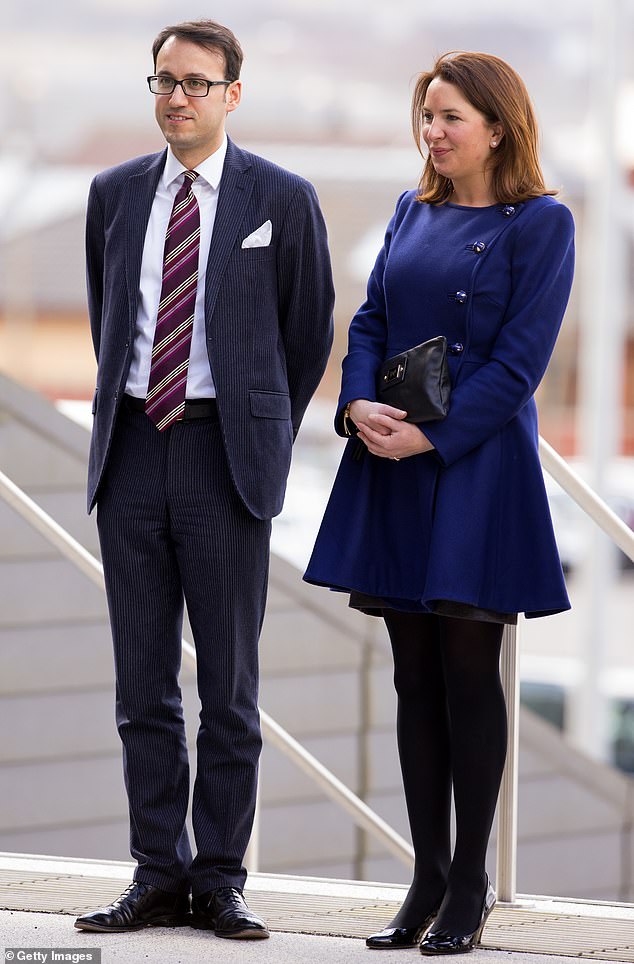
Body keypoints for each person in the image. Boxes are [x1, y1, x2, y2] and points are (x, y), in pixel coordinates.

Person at [304, 51, 574, 955]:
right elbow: (370, 320)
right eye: (426, 115)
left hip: (477, 471)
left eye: (451, 116)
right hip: (392, 460)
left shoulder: (543, 223)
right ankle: (422, 877)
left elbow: (520, 363)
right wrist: (355, 403)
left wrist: (435, 435)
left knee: (468, 676)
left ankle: (470, 884)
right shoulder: (408, 211)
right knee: (410, 677)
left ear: (498, 125)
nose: (434, 132)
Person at [75, 19, 334, 940]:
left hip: (227, 457)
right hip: (135, 449)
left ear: (232, 93)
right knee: (141, 686)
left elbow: (307, 334)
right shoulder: (113, 195)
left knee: (228, 689)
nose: (175, 97)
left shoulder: (282, 198)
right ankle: (156, 873)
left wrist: (255, 421)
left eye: (194, 82)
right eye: (162, 80)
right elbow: (114, 322)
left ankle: (219, 878)